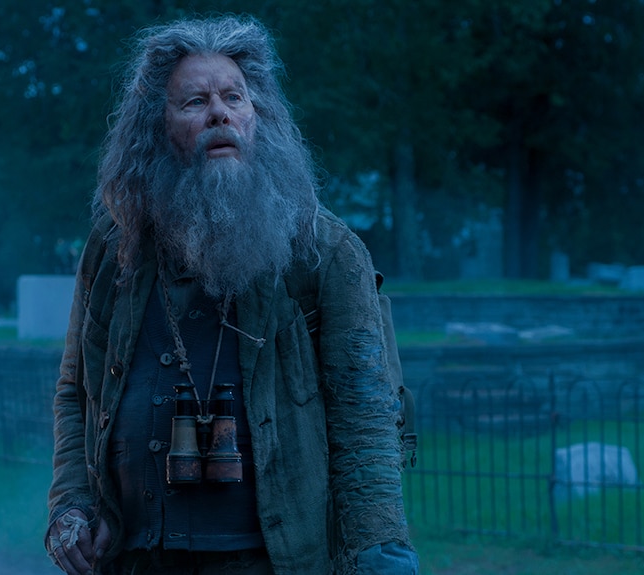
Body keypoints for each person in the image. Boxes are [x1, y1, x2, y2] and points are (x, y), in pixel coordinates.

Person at [46, 15, 418, 575]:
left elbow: (365, 417)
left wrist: (382, 558)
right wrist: (70, 507)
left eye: (234, 98)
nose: (219, 112)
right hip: (135, 559)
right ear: (156, 126)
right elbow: (76, 392)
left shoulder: (326, 252)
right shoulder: (111, 249)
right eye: (194, 102)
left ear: (257, 116)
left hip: (270, 561)